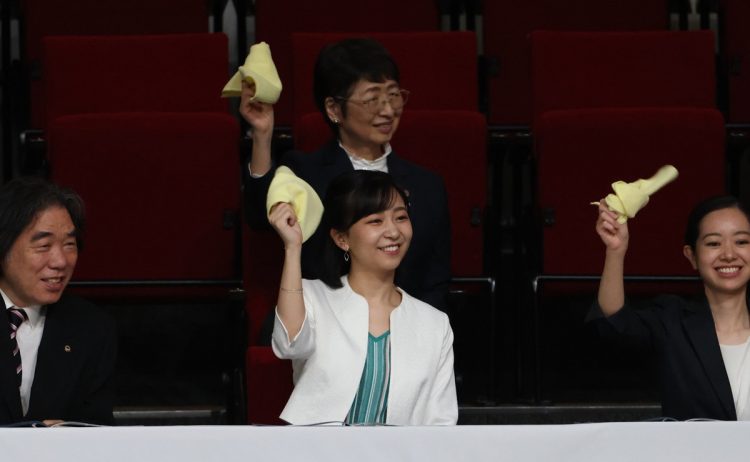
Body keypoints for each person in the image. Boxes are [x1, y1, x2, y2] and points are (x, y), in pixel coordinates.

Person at [242, 38, 451, 312]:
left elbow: (434, 285)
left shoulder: (428, 186)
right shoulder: (305, 172)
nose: (387, 110)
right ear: (334, 109)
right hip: (325, 325)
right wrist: (262, 134)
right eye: (372, 99)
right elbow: (260, 216)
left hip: (406, 334)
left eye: (393, 95)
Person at [269, 170, 457, 425]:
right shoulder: (313, 297)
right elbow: (289, 345)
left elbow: (441, 423)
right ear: (342, 238)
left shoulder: (435, 324)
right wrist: (292, 248)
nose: (393, 232)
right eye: (375, 221)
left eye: (401, 217)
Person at [593, 195, 750, 420]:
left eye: (742, 241)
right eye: (713, 243)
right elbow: (616, 323)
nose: (728, 254)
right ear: (692, 256)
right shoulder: (672, 322)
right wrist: (615, 251)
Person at [0, 177, 116, 425]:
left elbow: (100, 429)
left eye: (69, 245)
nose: (60, 261)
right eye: (43, 246)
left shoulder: (91, 328)